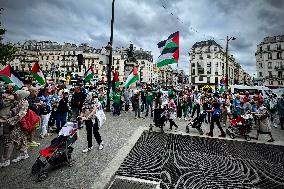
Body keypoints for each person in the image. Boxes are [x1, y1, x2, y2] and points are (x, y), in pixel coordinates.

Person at [0, 90, 30, 168]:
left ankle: (5, 160)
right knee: (22, 138)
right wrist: (7, 116)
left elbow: (20, 115)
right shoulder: (20, 101)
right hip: (19, 124)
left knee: (9, 141)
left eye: (16, 94)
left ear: (21, 95)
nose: (15, 95)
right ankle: (24, 154)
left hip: (19, 125)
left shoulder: (24, 103)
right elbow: (14, 111)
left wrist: (7, 120)